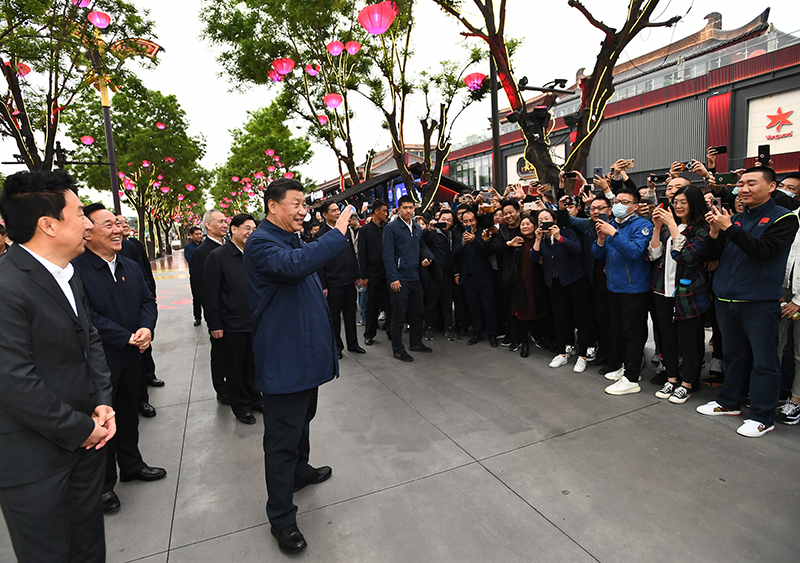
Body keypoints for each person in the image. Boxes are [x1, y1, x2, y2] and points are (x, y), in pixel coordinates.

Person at [0, 171, 115, 563]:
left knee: (88, 549)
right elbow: (15, 383)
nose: (88, 224)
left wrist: (103, 402)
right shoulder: (7, 285)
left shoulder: (67, 273)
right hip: (34, 463)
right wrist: (81, 428)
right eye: (80, 214)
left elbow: (90, 340)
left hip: (87, 445)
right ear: (48, 224)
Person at [243, 179, 355, 554]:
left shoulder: (290, 238)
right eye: (296, 203)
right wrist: (337, 234)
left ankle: (300, 472)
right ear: (273, 206)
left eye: (305, 203)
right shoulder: (262, 242)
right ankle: (281, 517)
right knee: (281, 441)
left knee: (303, 419)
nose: (303, 210)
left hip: (304, 356)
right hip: (284, 359)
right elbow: (294, 267)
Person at [72, 204, 165, 514]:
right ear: (88, 233)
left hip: (132, 356)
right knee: (103, 423)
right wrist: (124, 336)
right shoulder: (76, 270)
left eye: (117, 224)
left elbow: (147, 300)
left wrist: (146, 328)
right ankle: (103, 486)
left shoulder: (130, 265)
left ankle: (132, 465)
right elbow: (87, 315)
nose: (118, 230)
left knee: (128, 416)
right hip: (100, 362)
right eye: (108, 225)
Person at [698, 166, 799, 437]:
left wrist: (729, 228)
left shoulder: (784, 218)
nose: (743, 189)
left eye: (751, 183)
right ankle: (728, 402)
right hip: (725, 298)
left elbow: (763, 251)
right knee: (732, 355)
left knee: (764, 361)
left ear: (772, 186)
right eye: (741, 184)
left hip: (758, 301)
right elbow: (711, 256)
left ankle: (763, 416)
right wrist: (715, 232)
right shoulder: (737, 218)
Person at [648, 186, 710, 404]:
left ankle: (688, 383)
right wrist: (658, 228)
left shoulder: (702, 229)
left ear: (694, 203)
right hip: (662, 289)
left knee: (688, 341)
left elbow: (688, 256)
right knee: (667, 338)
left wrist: (674, 227)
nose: (678, 206)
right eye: (675, 202)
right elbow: (654, 254)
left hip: (687, 292)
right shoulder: (667, 227)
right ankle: (671, 378)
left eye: (684, 202)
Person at [593, 186, 654, 395]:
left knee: (633, 333)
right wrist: (601, 239)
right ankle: (627, 367)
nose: (619, 205)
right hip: (613, 286)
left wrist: (613, 234)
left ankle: (632, 378)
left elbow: (634, 252)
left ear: (635, 206)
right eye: (617, 201)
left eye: (625, 202)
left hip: (633, 288)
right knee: (618, 330)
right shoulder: (611, 224)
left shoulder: (643, 225)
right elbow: (596, 253)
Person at [204, 213, 263, 425]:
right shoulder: (218, 256)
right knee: (235, 368)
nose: (250, 233)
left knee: (252, 365)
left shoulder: (254, 254)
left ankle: (255, 398)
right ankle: (241, 406)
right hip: (231, 323)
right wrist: (215, 324)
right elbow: (210, 294)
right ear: (234, 229)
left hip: (254, 320)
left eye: (254, 229)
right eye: (247, 228)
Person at [531, 208, 594, 372]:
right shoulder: (542, 239)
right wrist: (537, 240)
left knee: (580, 318)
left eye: (547, 218)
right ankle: (562, 353)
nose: (544, 222)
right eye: (540, 220)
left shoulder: (567, 232)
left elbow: (577, 249)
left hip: (575, 280)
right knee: (560, 318)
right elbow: (534, 258)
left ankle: (582, 356)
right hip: (555, 283)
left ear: (555, 220)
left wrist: (559, 238)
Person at [116, 214, 162, 419]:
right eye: (117, 223)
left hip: (136, 312)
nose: (121, 227)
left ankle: (145, 392)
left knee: (144, 350)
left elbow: (144, 270)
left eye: (124, 223)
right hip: (116, 332)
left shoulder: (132, 246)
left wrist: (151, 292)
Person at [382, 195, 434, 362]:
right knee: (398, 316)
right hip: (400, 278)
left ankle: (416, 343)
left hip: (415, 277)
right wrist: (393, 278)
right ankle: (398, 349)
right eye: (405, 207)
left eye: (411, 207)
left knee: (417, 312)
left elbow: (422, 246)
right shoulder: (391, 228)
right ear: (399, 209)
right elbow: (387, 255)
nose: (408, 211)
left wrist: (428, 256)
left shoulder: (417, 227)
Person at [315, 200, 365, 359]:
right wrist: (323, 285)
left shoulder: (346, 230)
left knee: (351, 314)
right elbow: (319, 262)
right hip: (332, 282)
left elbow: (351, 254)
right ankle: (337, 347)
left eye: (338, 209)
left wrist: (357, 275)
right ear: (324, 215)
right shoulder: (320, 235)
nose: (337, 213)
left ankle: (353, 344)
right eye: (333, 210)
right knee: (334, 317)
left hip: (348, 280)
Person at [190, 209, 230, 404]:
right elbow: (201, 290)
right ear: (208, 225)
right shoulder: (201, 252)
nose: (225, 225)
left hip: (236, 311)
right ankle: (221, 389)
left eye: (225, 221)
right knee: (220, 353)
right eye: (220, 221)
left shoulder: (229, 246)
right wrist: (213, 320)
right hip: (219, 313)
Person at [453, 210, 498, 346]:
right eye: (465, 221)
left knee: (489, 308)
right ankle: (477, 334)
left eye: (471, 220)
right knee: (473, 309)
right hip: (468, 278)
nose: (469, 224)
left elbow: (487, 253)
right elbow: (454, 255)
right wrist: (462, 244)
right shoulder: (460, 236)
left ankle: (492, 334)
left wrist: (475, 241)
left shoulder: (484, 233)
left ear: (476, 221)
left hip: (484, 278)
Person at [358, 200, 392, 346]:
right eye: (384, 211)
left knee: (390, 304)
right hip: (372, 273)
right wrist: (364, 276)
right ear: (376, 211)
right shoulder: (365, 230)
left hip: (388, 272)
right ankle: (369, 334)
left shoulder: (387, 228)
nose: (386, 214)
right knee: (372, 305)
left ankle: (391, 331)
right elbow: (362, 254)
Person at [423, 209, 457, 341]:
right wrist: (428, 229)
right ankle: (429, 327)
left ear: (452, 222)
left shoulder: (453, 234)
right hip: (434, 274)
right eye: (443, 219)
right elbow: (421, 240)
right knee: (431, 303)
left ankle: (449, 328)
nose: (446, 222)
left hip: (449, 274)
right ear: (438, 219)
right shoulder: (432, 233)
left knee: (447, 303)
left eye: (449, 220)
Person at [185, 226, 204, 326]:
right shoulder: (188, 247)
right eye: (196, 234)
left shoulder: (205, 245)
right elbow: (190, 260)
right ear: (191, 235)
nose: (199, 236)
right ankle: (197, 317)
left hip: (206, 276)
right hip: (195, 276)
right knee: (196, 298)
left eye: (200, 234)